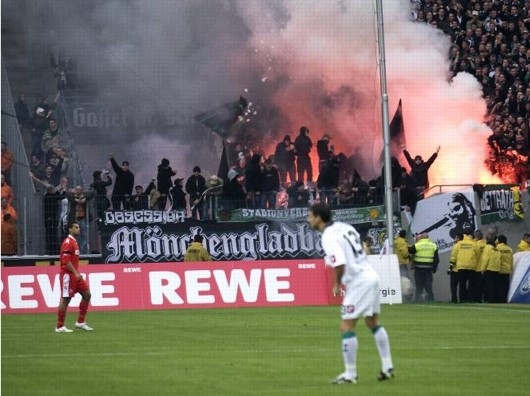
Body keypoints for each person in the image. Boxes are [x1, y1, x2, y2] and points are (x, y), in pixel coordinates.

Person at [307, 203, 394, 384]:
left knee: (346, 325)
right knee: (372, 322)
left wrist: (337, 284)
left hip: (358, 282)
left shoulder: (328, 236)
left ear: (318, 217)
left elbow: (339, 263)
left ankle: (350, 374)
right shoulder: (345, 227)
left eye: (310, 216)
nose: (308, 220)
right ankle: (387, 366)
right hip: (370, 275)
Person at [55, 222, 93, 333]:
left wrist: (76, 274)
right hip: (68, 275)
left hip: (75, 275)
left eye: (79, 227)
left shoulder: (74, 242)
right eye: (76, 227)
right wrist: (76, 273)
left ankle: (80, 322)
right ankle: (59, 326)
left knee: (87, 295)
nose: (79, 229)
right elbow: (66, 261)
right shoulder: (68, 242)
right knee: (65, 299)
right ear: (70, 229)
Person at [450, 228, 480, 303]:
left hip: (461, 266)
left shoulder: (459, 244)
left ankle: (462, 299)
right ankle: (469, 299)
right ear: (471, 234)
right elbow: (478, 255)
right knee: (471, 284)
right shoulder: (474, 243)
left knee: (462, 283)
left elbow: (454, 255)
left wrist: (451, 265)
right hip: (471, 266)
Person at [409, 233, 439, 301]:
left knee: (419, 285)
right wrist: (434, 268)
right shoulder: (433, 245)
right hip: (428, 269)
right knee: (428, 285)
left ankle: (417, 300)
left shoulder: (417, 245)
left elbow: (410, 251)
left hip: (419, 268)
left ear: (421, 238)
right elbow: (436, 259)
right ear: (428, 237)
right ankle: (431, 299)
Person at [478, 235, 501, 303]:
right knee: (495, 285)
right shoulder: (496, 249)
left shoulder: (487, 247)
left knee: (489, 285)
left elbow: (485, 259)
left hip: (489, 268)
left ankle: (489, 299)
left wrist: (482, 269)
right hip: (496, 269)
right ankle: (495, 299)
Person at [496, 235, 514, 303]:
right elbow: (511, 260)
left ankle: (499, 299)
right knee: (505, 286)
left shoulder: (497, 248)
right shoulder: (509, 249)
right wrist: (511, 268)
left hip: (499, 269)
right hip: (507, 270)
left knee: (498, 286)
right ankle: (504, 299)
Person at [448, 233, 463, 304]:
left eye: (455, 237)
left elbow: (453, 258)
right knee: (462, 285)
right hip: (463, 268)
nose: (454, 239)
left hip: (455, 269)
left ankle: (454, 299)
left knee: (453, 285)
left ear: (458, 238)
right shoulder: (464, 245)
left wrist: (449, 268)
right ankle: (462, 299)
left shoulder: (456, 246)